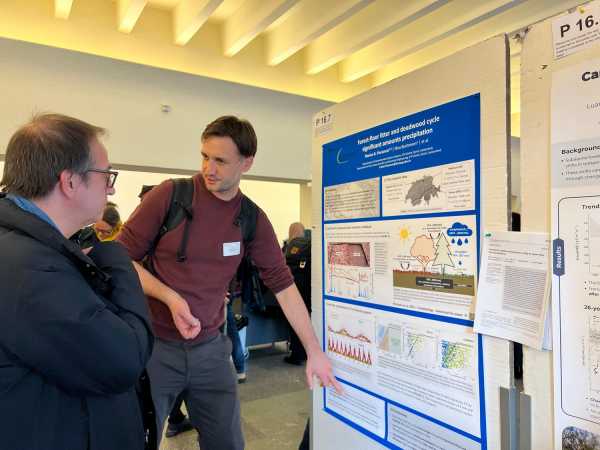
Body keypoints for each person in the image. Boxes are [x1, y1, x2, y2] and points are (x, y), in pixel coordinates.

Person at [117, 115, 341, 450]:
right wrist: (170, 297)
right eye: (205, 157)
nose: (209, 168)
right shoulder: (170, 197)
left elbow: (283, 284)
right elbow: (120, 260)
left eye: (220, 160)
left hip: (210, 351)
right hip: (155, 347)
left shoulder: (251, 218)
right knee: (134, 440)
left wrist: (313, 350)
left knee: (228, 443)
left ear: (247, 163)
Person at [0, 113, 154, 450]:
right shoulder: (30, 270)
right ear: (69, 182)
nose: (110, 187)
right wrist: (117, 259)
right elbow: (124, 359)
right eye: (106, 175)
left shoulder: (32, 248)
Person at [284, 222, 311, 365]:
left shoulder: (289, 246)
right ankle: (308, 352)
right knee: (308, 320)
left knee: (295, 321)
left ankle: (297, 354)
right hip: (309, 290)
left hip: (293, 290)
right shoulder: (310, 245)